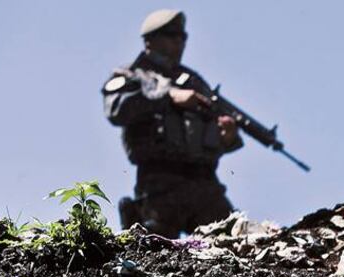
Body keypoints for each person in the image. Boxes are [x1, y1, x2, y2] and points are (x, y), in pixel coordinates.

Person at [102, 9, 242, 237]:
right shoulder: (131, 76)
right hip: (160, 182)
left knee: (231, 240)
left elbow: (207, 132)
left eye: (182, 37)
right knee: (155, 248)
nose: (179, 42)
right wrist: (168, 97)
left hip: (204, 182)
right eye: (171, 36)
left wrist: (227, 137)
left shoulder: (193, 80)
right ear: (150, 41)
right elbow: (117, 110)